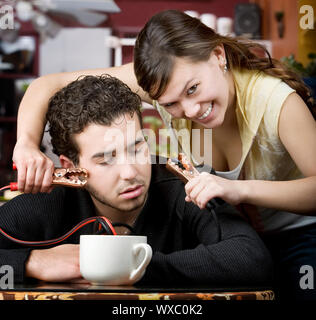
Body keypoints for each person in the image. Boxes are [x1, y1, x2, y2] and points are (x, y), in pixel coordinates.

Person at [12, 10, 315, 299]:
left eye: (194, 89)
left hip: (300, 231)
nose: (190, 111)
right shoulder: (164, 82)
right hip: (244, 230)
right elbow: (46, 85)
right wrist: (26, 144)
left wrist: (239, 189)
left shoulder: (278, 102)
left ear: (218, 56)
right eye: (170, 104)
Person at [0, 74, 273, 286]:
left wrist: (133, 267)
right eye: (106, 159)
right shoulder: (49, 203)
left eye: (137, 148)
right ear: (71, 168)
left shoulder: (184, 183)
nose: (130, 172)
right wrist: (31, 262)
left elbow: (251, 257)